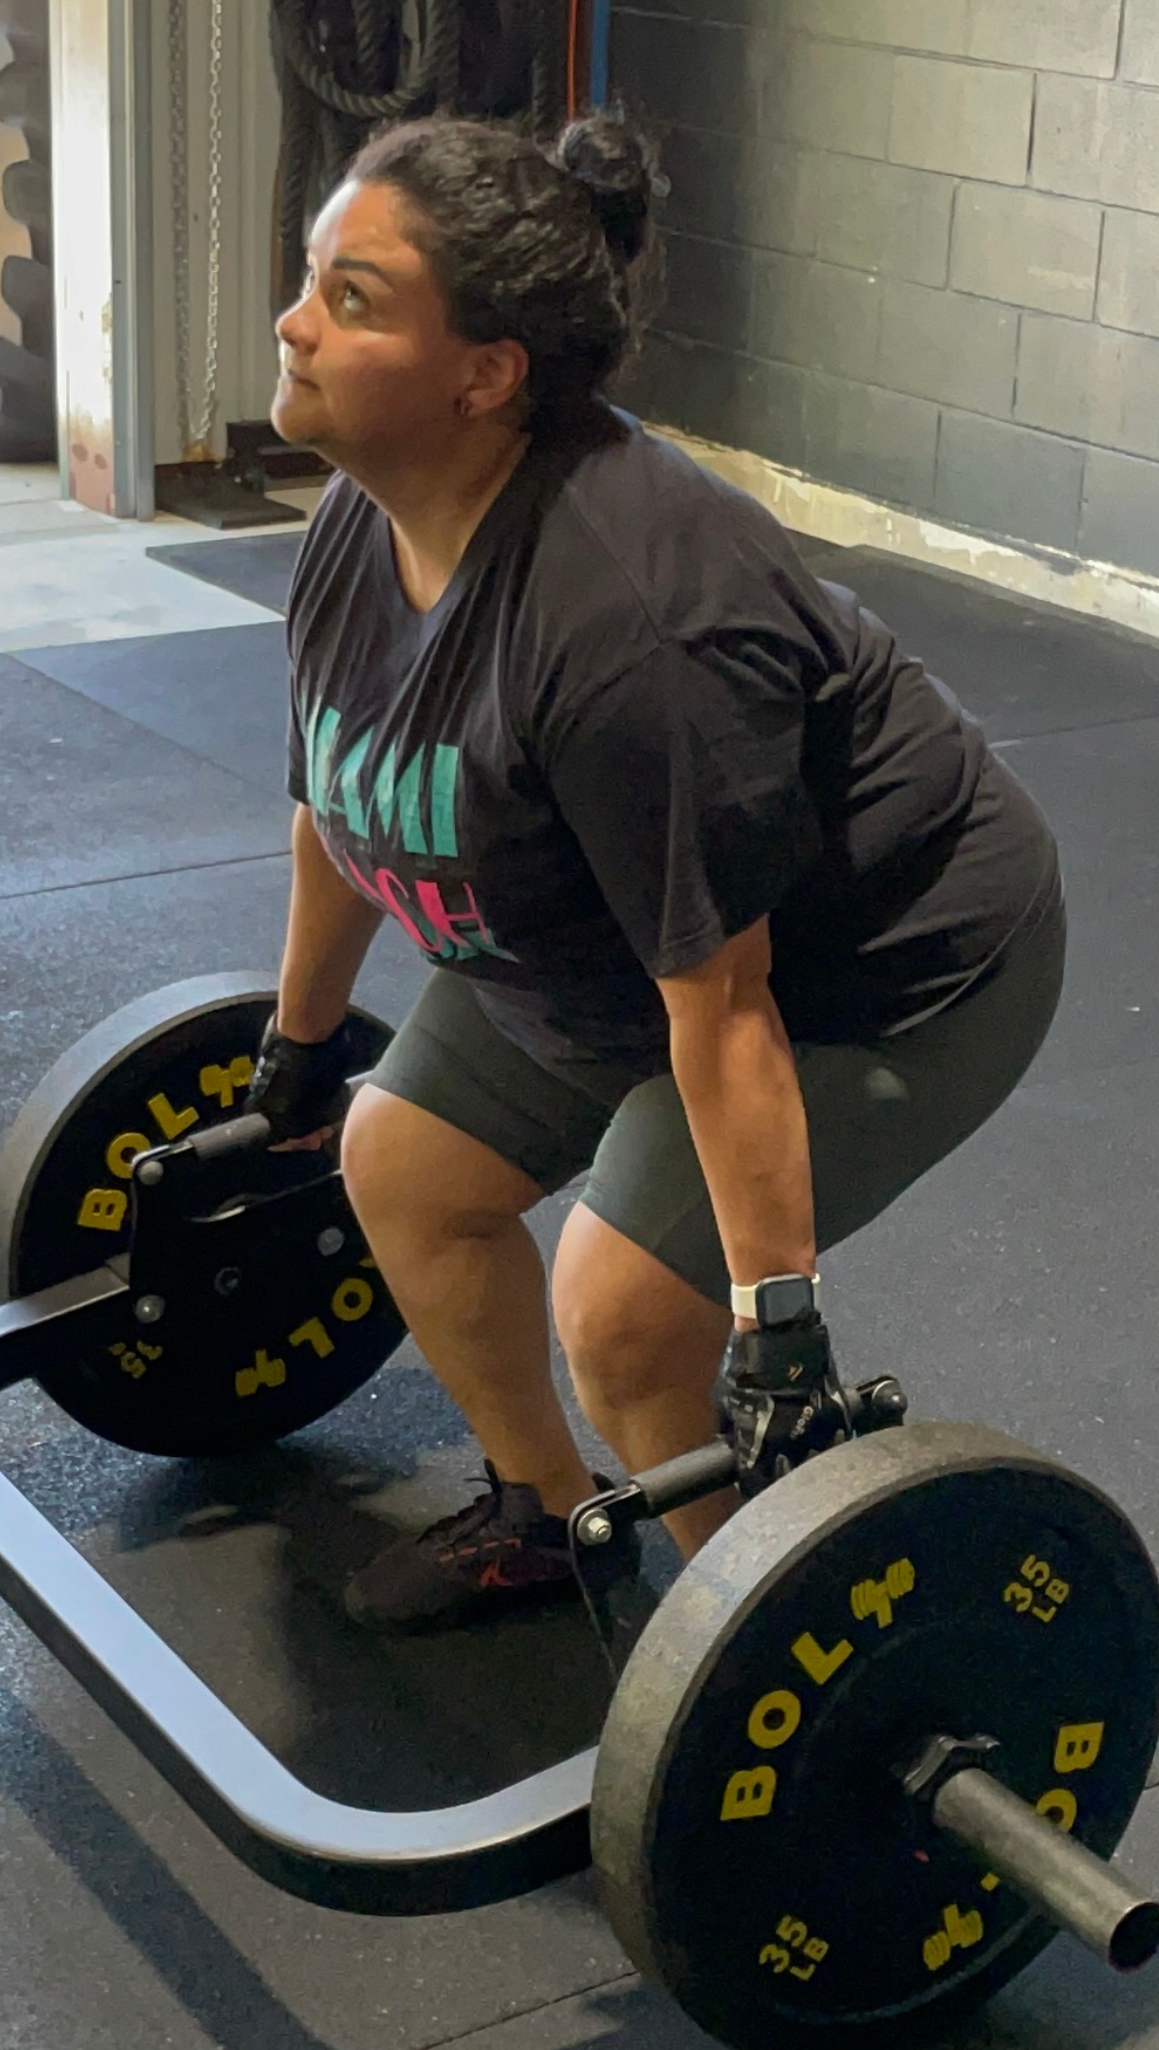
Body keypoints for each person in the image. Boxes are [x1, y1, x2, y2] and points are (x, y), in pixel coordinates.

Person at [247, 110, 1064, 1630]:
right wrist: (292, 1059)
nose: (292, 323)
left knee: (624, 1322)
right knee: (399, 1166)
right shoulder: (364, 522)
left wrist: (775, 1328)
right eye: (312, 280)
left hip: (876, 970)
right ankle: (550, 1518)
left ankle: (775, 1653)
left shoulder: (632, 627)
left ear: (483, 374)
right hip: (614, 943)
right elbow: (337, 803)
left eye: (350, 300)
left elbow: (727, 1003)